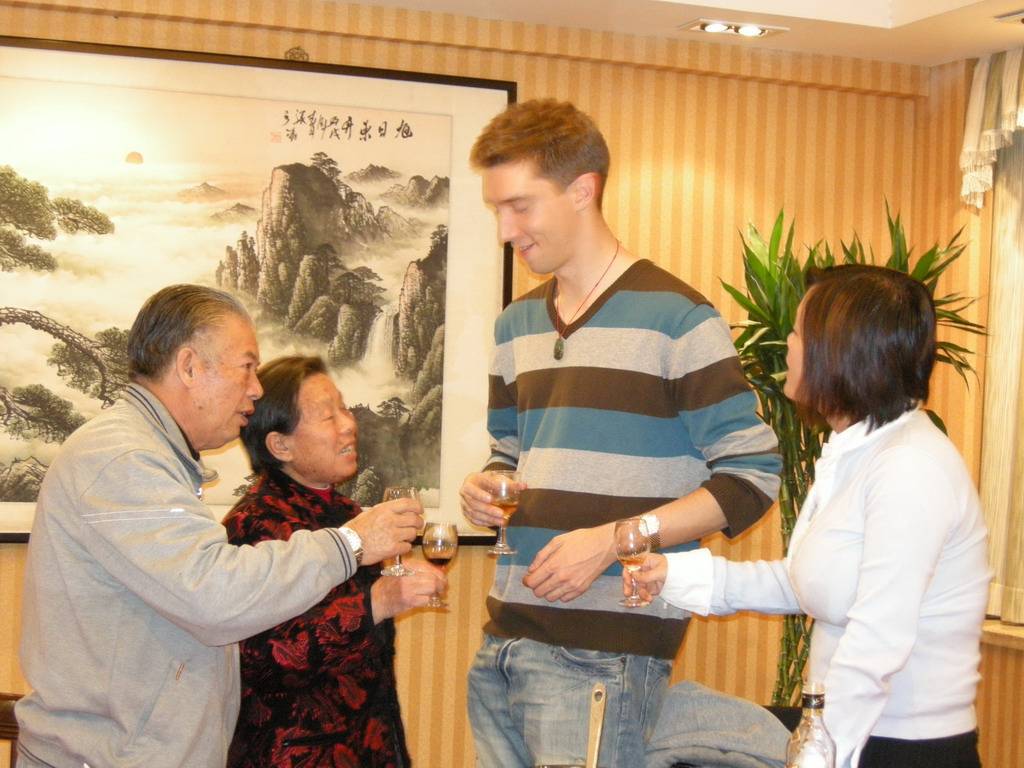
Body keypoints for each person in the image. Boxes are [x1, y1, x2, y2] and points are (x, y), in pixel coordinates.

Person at [458, 98, 782, 767]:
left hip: (606, 657)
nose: (504, 229)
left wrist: (612, 540)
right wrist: (485, 487)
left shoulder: (679, 319)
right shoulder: (516, 323)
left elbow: (753, 477)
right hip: (505, 644)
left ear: (584, 190)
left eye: (520, 206)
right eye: (497, 209)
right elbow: (510, 455)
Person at [15, 285, 422, 768]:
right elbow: (213, 596)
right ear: (190, 367)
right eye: (246, 366)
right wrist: (352, 541)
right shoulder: (123, 458)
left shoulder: (150, 454)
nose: (255, 388)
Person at [631, 265, 992, 768]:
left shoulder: (911, 466)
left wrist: (817, 754)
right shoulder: (858, 450)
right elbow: (809, 581)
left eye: (799, 332)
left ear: (840, 350)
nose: (789, 345)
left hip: (900, 748)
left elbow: (877, 640)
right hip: (849, 734)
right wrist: (675, 574)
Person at [223, 355, 444, 768]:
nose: (348, 424)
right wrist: (377, 601)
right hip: (293, 754)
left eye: (343, 407)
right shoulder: (253, 523)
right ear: (280, 445)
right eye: (328, 416)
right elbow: (261, 658)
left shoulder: (348, 513)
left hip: (371, 742)